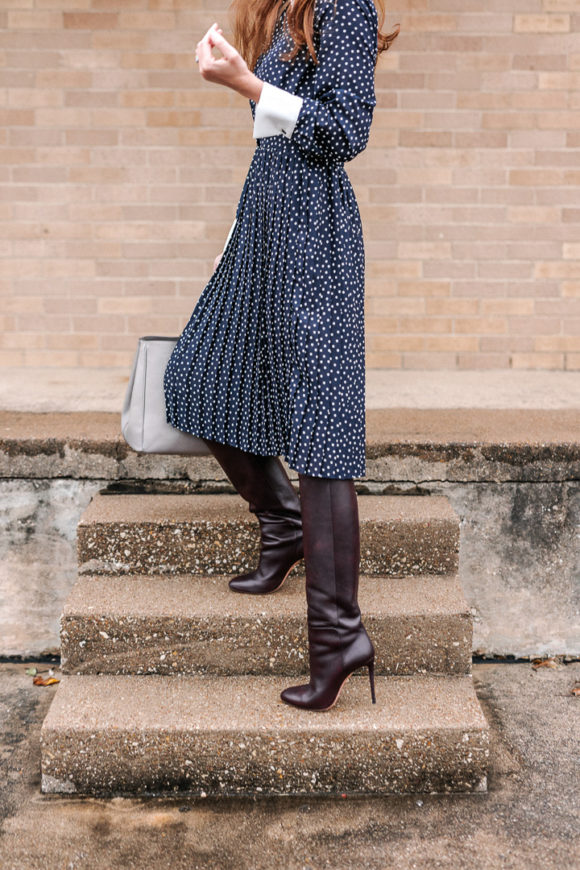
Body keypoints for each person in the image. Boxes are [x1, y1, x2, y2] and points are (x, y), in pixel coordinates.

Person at [164, 0, 400, 711]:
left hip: (313, 234)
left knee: (322, 435)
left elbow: (345, 131)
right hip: (262, 225)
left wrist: (247, 83)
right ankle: (284, 524)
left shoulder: (343, 7)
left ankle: (338, 637)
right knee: (197, 377)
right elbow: (276, 137)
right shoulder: (287, 11)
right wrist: (237, 234)